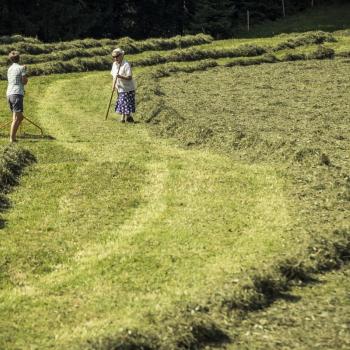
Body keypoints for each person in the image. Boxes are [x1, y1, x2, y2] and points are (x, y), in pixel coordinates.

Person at [7, 50, 28, 143]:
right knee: (18, 118)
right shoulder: (21, 68)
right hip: (17, 93)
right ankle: (12, 138)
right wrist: (25, 71)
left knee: (15, 117)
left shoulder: (9, 69)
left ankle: (13, 137)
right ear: (19, 58)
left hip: (9, 93)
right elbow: (24, 81)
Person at [110, 48, 136, 123]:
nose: (115, 58)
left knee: (125, 102)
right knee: (123, 103)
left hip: (127, 88)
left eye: (117, 56)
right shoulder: (114, 65)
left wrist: (120, 76)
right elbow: (114, 76)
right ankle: (128, 117)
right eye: (114, 57)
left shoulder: (126, 64)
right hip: (119, 87)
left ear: (121, 56)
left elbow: (129, 77)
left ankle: (124, 118)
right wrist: (113, 86)